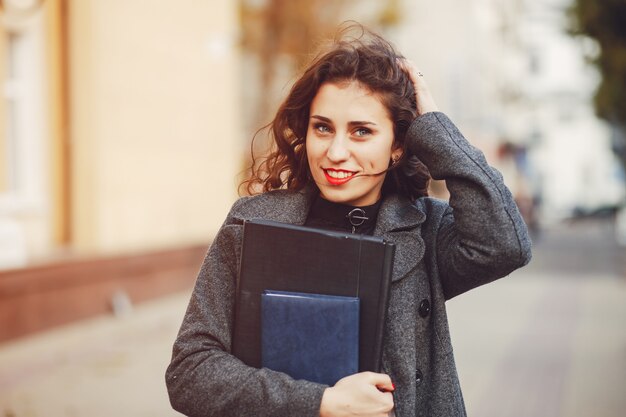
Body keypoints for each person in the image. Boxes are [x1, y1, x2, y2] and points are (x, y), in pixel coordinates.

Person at [166, 25, 532, 417]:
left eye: (361, 132)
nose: (336, 152)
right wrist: (321, 402)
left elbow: (505, 244)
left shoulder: (426, 230)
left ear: (396, 146)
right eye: (322, 127)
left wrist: (435, 128)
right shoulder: (253, 223)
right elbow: (191, 372)